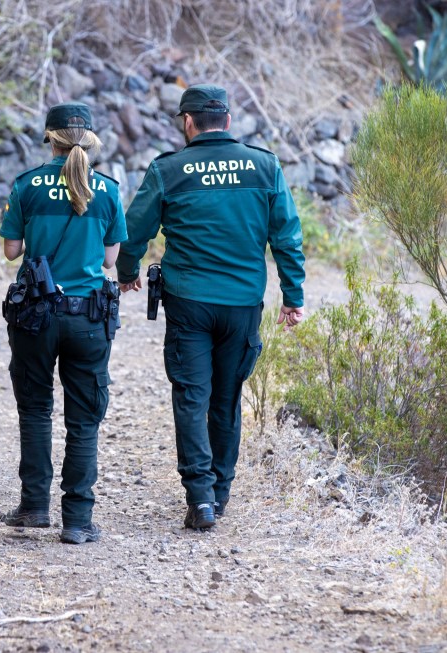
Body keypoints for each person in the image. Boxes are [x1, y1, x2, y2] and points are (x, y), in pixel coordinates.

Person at [115, 84, 305, 530]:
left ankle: (199, 499)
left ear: (187, 122)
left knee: (190, 396)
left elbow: (134, 229)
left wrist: (127, 272)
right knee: (226, 400)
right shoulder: (265, 165)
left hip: (190, 303)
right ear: (228, 121)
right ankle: (219, 494)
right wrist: (293, 297)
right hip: (243, 304)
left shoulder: (170, 169)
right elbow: (287, 239)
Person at [0, 102, 127, 544]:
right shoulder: (108, 190)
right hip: (89, 317)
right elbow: (111, 260)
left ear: (49, 139)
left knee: (35, 410)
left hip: (36, 315)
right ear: (90, 142)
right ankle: (77, 520)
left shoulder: (27, 186)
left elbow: (12, 251)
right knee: (84, 418)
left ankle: (34, 507)